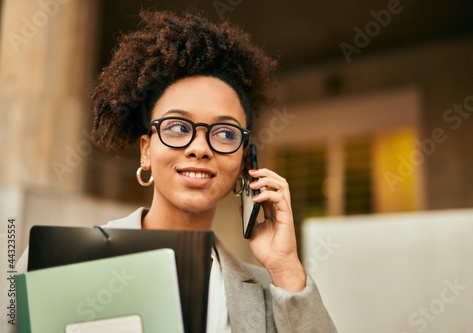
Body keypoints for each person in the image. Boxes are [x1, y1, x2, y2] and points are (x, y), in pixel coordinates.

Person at [1, 10, 336, 332]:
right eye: (177, 126)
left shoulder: (272, 291)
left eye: (224, 133)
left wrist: (286, 266)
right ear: (146, 150)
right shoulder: (59, 260)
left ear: (244, 166)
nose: (199, 148)